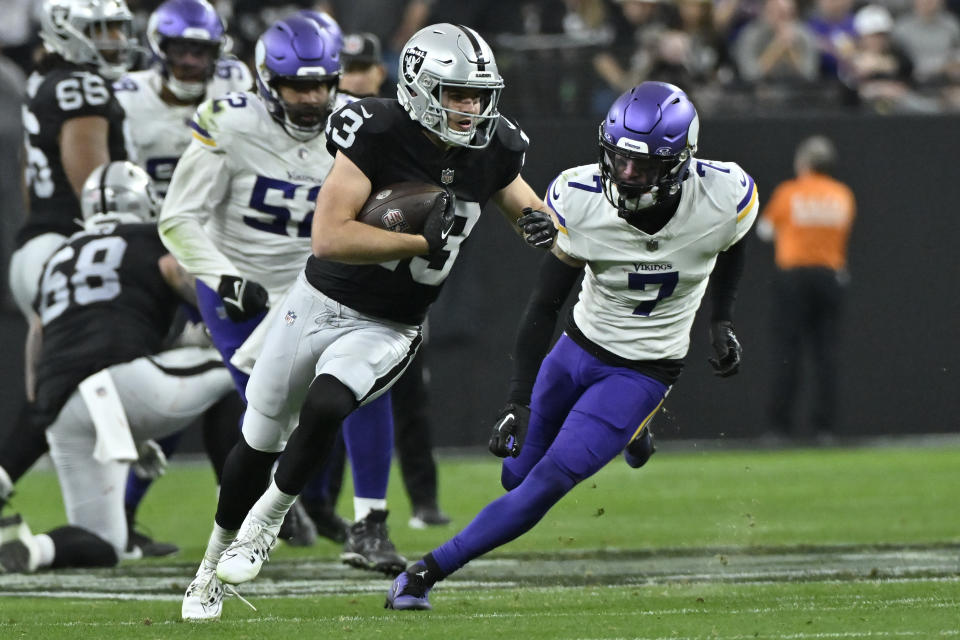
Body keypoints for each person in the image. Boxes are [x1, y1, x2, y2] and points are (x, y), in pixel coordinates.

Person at [180, 22, 557, 621]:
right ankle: (209, 571)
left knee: (330, 404)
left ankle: (268, 522)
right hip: (316, 301)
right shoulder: (377, 130)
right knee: (258, 440)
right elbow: (328, 238)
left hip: (390, 322)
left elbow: (529, 209)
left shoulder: (495, 148)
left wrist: (546, 227)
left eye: (478, 95)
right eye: (457, 94)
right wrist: (412, 241)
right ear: (419, 87)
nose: (471, 107)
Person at [384, 81, 758, 611]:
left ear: (681, 164)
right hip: (577, 348)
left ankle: (424, 573)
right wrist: (517, 400)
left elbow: (733, 241)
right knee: (514, 478)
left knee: (546, 483)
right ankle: (636, 432)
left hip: (643, 370)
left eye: (644, 166)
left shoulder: (721, 196)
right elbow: (543, 304)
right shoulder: (579, 198)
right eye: (620, 160)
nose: (627, 176)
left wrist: (721, 322)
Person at [0, 161, 233, 573]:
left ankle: (31, 549)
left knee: (106, 545)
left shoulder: (60, 255)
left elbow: (36, 337)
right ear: (146, 203)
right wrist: (222, 324)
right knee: (239, 368)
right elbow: (177, 274)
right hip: (123, 380)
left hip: (61, 407)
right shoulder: (153, 236)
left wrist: (44, 404)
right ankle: (240, 506)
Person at [112, 0, 254, 556]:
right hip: (152, 250)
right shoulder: (129, 97)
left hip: (218, 248)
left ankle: (261, 507)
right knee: (172, 390)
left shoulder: (235, 83)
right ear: (160, 48)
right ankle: (119, 510)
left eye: (201, 49)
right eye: (182, 49)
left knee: (227, 385)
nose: (192, 60)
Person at [1, 0, 134, 523]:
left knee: (68, 387)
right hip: (68, 249)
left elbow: (29, 182)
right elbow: (96, 190)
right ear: (66, 30)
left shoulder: (44, 78)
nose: (113, 40)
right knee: (66, 388)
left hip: (40, 248)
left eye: (116, 29)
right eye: (99, 30)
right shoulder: (82, 85)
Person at [756, 135, 855, 440]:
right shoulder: (842, 195)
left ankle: (779, 428)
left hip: (794, 277)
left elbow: (764, 230)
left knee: (788, 353)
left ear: (804, 163)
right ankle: (824, 428)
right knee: (825, 355)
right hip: (830, 277)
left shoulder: (790, 192)